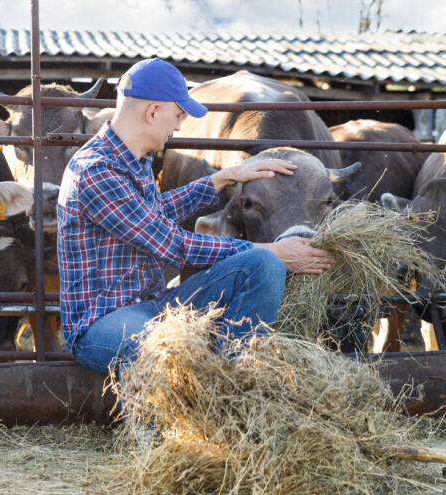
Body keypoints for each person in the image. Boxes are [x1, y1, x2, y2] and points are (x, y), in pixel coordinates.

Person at [57, 58, 335, 375]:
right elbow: (172, 244)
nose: (178, 127)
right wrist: (276, 250)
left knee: (264, 267)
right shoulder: (97, 170)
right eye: (177, 116)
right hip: (104, 320)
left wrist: (224, 177)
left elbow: (151, 215)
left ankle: (233, 382)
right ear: (152, 113)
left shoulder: (136, 160)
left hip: (156, 304)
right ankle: (150, 422)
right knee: (164, 349)